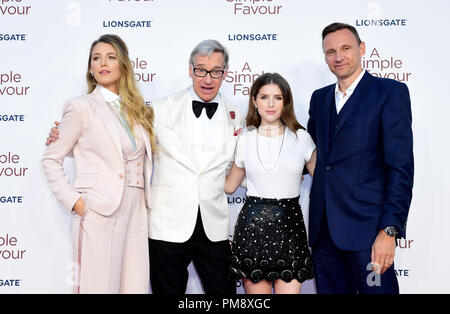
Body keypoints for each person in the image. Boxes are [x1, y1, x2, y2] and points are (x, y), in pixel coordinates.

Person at [42, 34, 155, 294]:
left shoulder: (138, 111)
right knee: (98, 287)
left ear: (123, 65)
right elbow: (50, 159)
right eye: (96, 58)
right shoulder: (80, 106)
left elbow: (114, 150)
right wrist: (77, 203)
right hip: (99, 209)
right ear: (91, 69)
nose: (103, 63)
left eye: (111, 57)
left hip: (137, 211)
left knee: (134, 287)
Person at [307, 22, 414, 294]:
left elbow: (400, 168)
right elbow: (312, 155)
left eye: (345, 48)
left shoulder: (389, 92)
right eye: (330, 51)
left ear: (362, 48)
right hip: (324, 234)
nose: (338, 57)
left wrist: (389, 231)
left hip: (368, 234)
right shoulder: (319, 99)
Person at [147, 39, 243, 294]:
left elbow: (245, 162)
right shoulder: (159, 109)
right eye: (201, 69)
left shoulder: (237, 115)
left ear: (225, 73)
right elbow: (128, 144)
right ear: (190, 70)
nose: (208, 78)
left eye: (216, 71)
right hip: (168, 223)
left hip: (214, 224)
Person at [225, 73, 317, 294]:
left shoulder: (301, 138)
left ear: (285, 102)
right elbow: (229, 187)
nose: (270, 104)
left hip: (291, 230)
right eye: (264, 97)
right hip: (252, 230)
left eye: (277, 97)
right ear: (254, 101)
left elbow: (325, 181)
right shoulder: (244, 139)